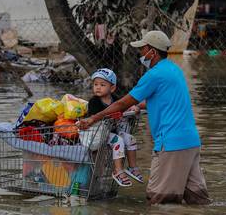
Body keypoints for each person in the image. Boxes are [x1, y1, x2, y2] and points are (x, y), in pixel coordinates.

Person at [78, 30, 211, 205]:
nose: (140, 53)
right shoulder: (174, 69)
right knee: (198, 202)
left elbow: (122, 103)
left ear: (152, 52)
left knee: (158, 201)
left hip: (170, 144)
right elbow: (164, 100)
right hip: (191, 142)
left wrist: (93, 118)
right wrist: (139, 106)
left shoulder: (153, 75)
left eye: (143, 49)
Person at [86, 68, 143, 187]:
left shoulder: (116, 100)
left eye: (102, 85)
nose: (98, 87)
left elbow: (124, 106)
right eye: (95, 84)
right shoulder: (94, 102)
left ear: (112, 88)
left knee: (130, 139)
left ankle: (132, 167)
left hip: (112, 132)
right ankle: (118, 171)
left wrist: (134, 108)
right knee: (118, 141)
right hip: (99, 134)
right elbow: (95, 117)